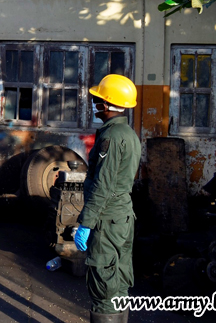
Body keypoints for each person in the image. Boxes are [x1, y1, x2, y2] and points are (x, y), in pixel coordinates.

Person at [74, 74, 140, 323]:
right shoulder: (129, 134)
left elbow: (103, 185)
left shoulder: (111, 137)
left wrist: (87, 223)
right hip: (122, 218)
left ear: (107, 105)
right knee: (119, 281)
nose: (94, 104)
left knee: (103, 285)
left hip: (107, 219)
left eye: (97, 100)